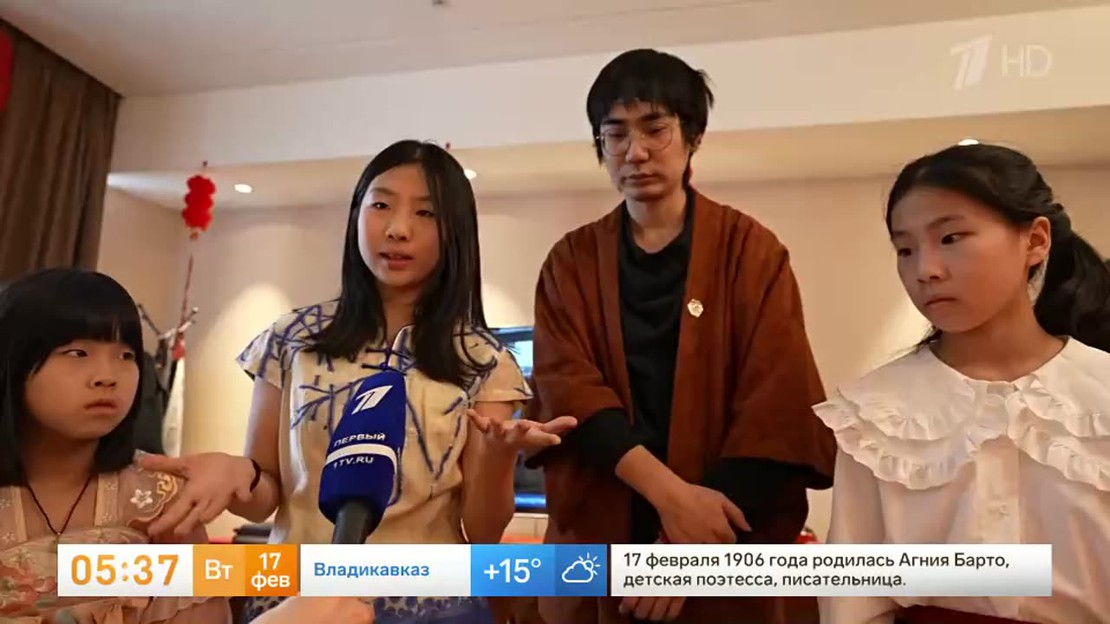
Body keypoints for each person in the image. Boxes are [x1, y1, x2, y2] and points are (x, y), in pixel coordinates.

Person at [137, 140, 575, 623]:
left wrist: (496, 459)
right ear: (356, 215)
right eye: (381, 205)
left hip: (432, 608)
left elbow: (483, 531)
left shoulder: (483, 360)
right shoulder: (292, 339)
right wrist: (235, 474)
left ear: (455, 232)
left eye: (425, 213)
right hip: (298, 602)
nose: (398, 229)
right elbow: (264, 500)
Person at [525, 48, 836, 624]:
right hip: (604, 543)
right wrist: (670, 496)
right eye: (615, 134)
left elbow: (776, 408)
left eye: (655, 128)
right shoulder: (571, 261)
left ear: (693, 136)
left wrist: (680, 552)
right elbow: (569, 393)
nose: (635, 151)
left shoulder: (751, 251)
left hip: (720, 544)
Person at [815, 143, 1110, 624]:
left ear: (1035, 240)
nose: (925, 270)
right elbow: (854, 602)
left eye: (950, 238)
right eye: (905, 249)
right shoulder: (874, 413)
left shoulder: (1101, 393)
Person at [0, 268, 231, 623]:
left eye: (126, 356)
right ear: (13, 363)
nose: (107, 377)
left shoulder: (162, 499)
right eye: (78, 353)